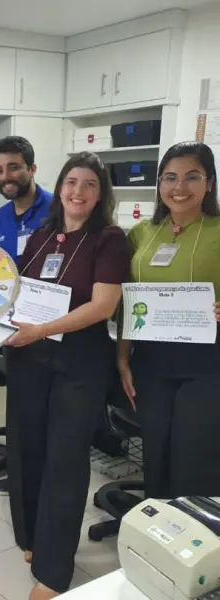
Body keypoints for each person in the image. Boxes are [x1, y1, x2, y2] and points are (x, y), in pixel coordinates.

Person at [2, 152, 128, 600]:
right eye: (71, 182)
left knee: (65, 461)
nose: (78, 191)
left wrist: (41, 329)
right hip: (30, 361)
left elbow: (103, 306)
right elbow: (15, 291)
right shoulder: (41, 237)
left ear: (100, 194)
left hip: (79, 365)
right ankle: (33, 538)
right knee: (27, 449)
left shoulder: (109, 239)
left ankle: (54, 573)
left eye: (89, 184)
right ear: (59, 188)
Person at [118, 142, 220, 501]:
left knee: (195, 456)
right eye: (170, 177)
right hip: (152, 359)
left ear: (209, 183)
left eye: (192, 177)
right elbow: (128, 299)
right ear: (159, 183)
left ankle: (195, 530)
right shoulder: (142, 233)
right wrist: (123, 358)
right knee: (156, 451)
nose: (180, 187)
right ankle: (156, 525)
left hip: (207, 361)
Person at [0, 136, 53, 496]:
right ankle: (21, 476)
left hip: (49, 324)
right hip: (12, 323)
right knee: (20, 405)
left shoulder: (57, 209)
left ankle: (42, 480)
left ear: (32, 168)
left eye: (14, 167)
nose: (6, 176)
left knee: (46, 410)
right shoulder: (0, 218)